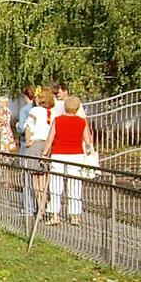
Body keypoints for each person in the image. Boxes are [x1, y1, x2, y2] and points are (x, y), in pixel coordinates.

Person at [43, 95, 93, 226]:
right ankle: (75, 216)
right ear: (77, 108)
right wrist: (87, 149)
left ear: (65, 106)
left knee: (55, 184)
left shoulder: (58, 120)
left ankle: (54, 215)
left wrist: (44, 153)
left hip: (58, 154)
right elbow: (88, 141)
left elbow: (50, 138)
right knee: (75, 185)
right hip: (76, 154)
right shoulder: (82, 122)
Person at [24, 87, 56, 216]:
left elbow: (28, 127)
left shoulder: (35, 111)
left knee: (36, 178)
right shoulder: (53, 113)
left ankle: (40, 207)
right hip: (48, 145)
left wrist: (28, 142)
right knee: (44, 177)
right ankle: (45, 203)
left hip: (36, 144)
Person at [15, 87, 37, 216]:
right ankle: (38, 205)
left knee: (26, 175)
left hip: (26, 143)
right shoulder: (42, 110)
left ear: (25, 96)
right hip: (39, 143)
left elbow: (22, 128)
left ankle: (28, 207)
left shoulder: (25, 110)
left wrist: (18, 126)